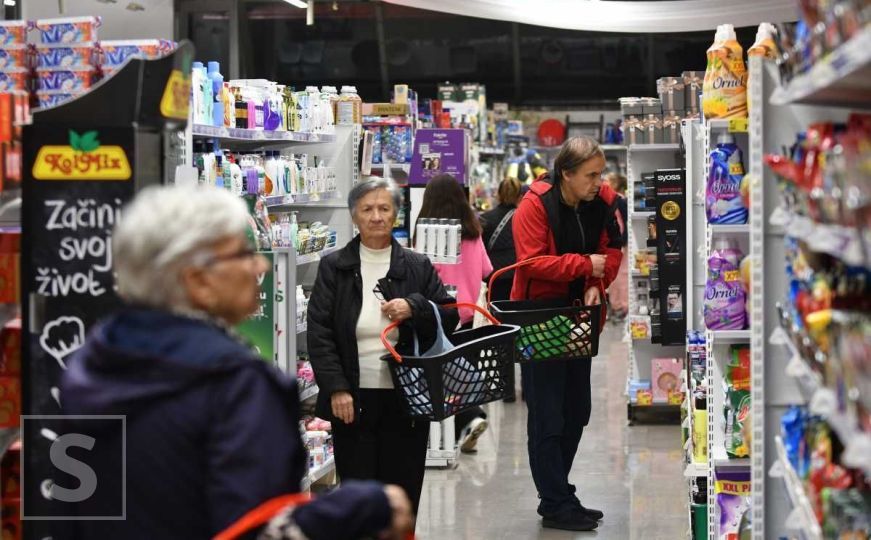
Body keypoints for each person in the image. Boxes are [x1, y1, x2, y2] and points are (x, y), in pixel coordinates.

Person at [59, 185, 413, 540]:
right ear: (198, 280)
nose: (260, 265)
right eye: (243, 253)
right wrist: (362, 507)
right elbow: (257, 529)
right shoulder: (235, 384)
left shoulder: (96, 362)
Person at [307, 178, 459, 519]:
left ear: (396, 214)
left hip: (407, 398)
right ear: (354, 216)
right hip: (352, 398)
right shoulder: (335, 267)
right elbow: (320, 332)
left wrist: (414, 307)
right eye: (367, 209)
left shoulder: (416, 265)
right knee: (358, 495)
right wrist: (336, 387)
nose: (376, 216)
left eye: (384, 208)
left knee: (402, 492)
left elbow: (449, 316)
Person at [512, 136, 624, 532]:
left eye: (601, 173)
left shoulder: (605, 200)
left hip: (580, 318)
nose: (598, 182)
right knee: (547, 414)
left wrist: (599, 279)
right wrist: (585, 267)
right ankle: (556, 500)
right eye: (591, 175)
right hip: (540, 319)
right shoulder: (535, 204)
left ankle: (559, 493)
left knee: (577, 410)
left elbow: (613, 250)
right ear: (566, 174)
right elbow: (531, 262)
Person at [416, 174, 493, 453]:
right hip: (469, 314)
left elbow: (422, 274)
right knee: (463, 374)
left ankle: (463, 421)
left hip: (440, 315)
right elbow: (486, 270)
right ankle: (468, 422)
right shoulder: (473, 231)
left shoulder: (425, 233)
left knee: (441, 376)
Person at [480, 176, 523, 402]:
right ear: (519, 195)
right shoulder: (524, 217)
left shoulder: (485, 219)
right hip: (519, 278)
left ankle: (506, 389)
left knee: (501, 333)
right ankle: (528, 390)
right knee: (523, 332)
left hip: (495, 280)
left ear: (498, 193)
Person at [604, 172, 629, 321]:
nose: (603, 182)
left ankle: (623, 306)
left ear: (615, 184)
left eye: (607, 180)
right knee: (615, 276)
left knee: (622, 276)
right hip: (615, 245)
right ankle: (616, 306)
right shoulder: (610, 200)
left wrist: (623, 241)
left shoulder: (619, 200)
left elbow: (625, 222)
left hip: (622, 245)